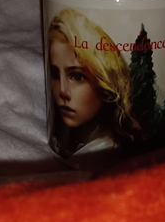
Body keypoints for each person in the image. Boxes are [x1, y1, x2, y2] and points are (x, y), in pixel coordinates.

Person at [47, 9, 141, 158]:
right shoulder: (69, 141)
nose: (62, 91)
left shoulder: (104, 151)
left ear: (104, 81)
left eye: (77, 76)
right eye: (55, 74)